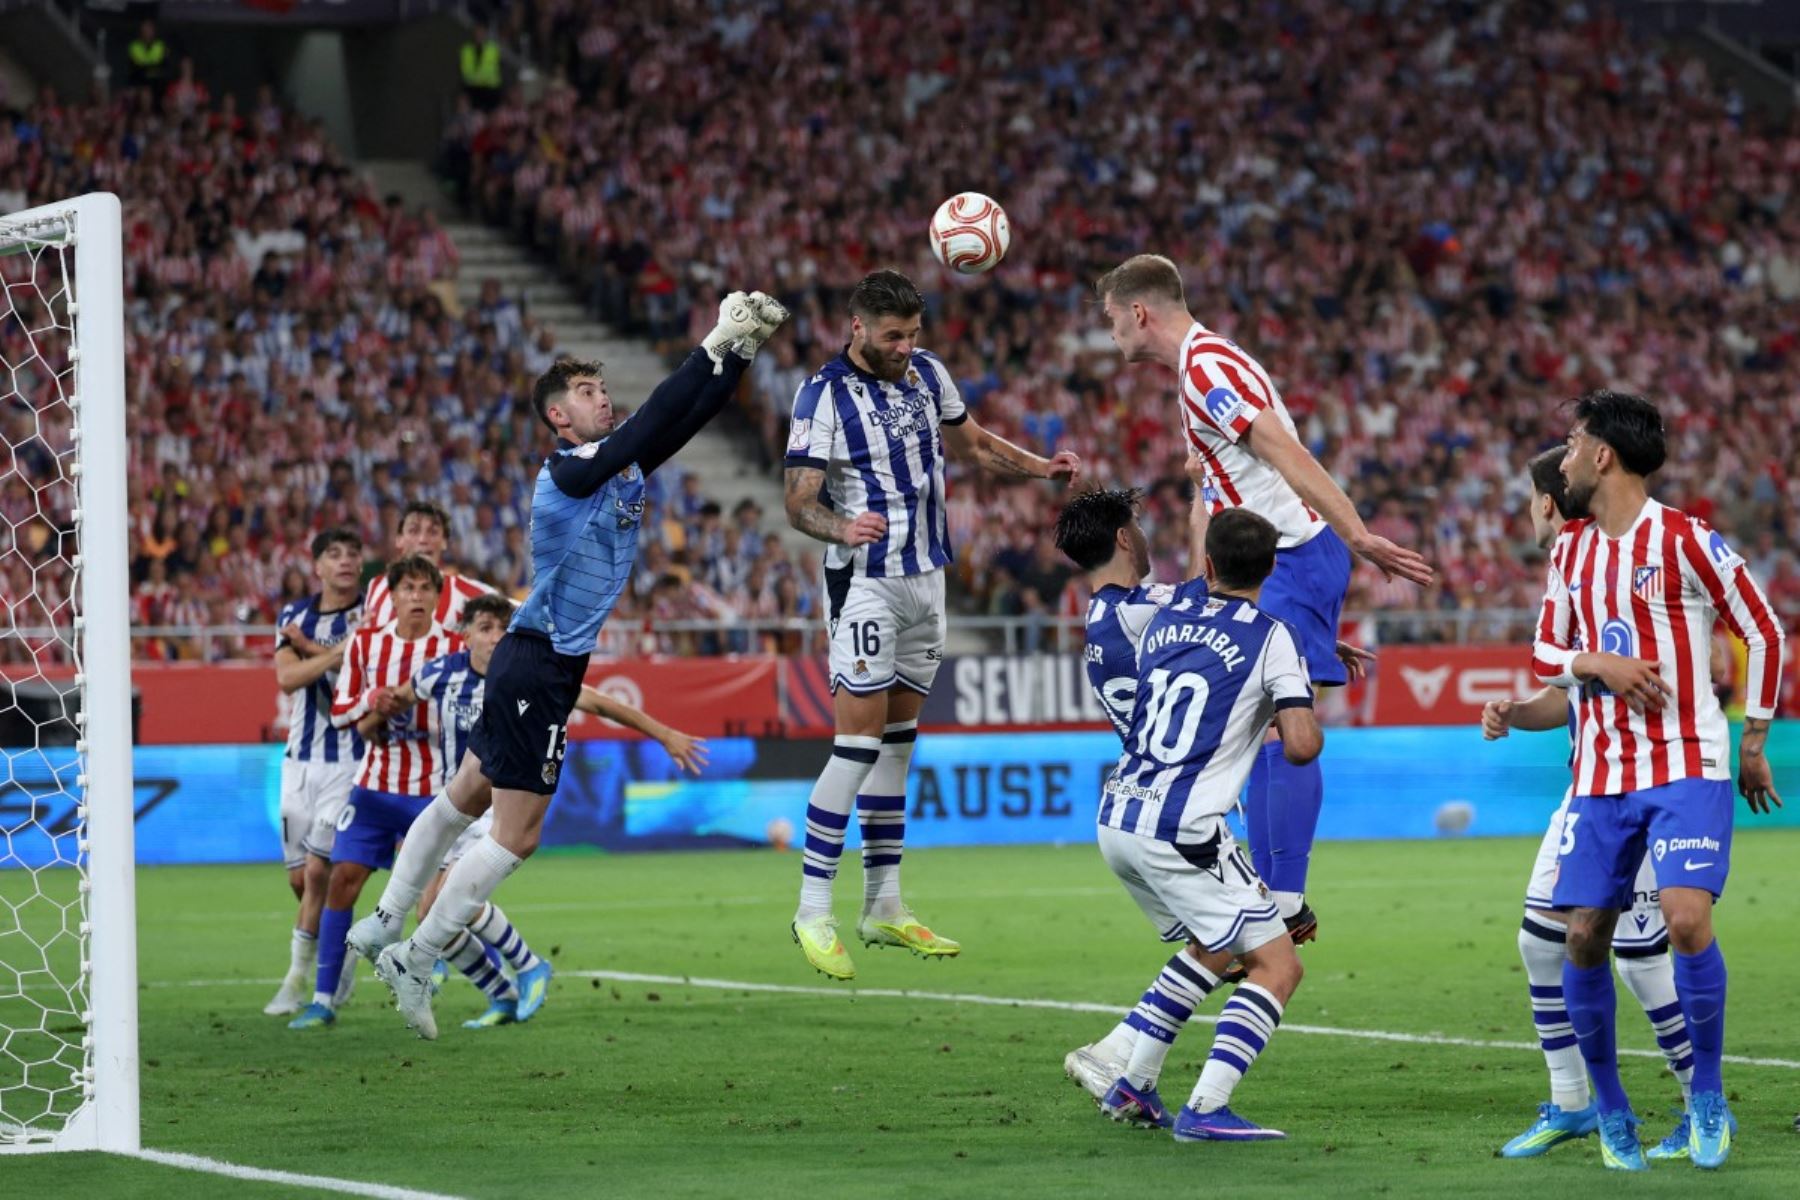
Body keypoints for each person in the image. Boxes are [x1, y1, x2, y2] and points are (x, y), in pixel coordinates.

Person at [347, 291, 788, 1039]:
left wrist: (737, 354)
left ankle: (384, 922)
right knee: (515, 836)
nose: (602, 399)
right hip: (542, 661)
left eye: (601, 389)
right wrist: (711, 339)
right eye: (587, 393)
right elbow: (650, 422)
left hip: (537, 658)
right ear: (558, 416)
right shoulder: (568, 473)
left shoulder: (615, 467)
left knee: (465, 796)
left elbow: (688, 416)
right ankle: (416, 954)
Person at [1095, 254, 1432, 941]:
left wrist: (1358, 534)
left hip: (1291, 556)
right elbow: (1229, 490)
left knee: (1281, 727)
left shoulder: (1206, 368)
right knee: (1251, 719)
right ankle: (1268, 894)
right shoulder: (1200, 370)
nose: (1109, 337)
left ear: (1138, 312)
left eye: (1109, 321)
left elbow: (1284, 451)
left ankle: (1281, 899)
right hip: (1273, 566)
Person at [781, 268, 1080, 980]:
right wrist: (841, 526)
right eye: (893, 337)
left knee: (896, 749)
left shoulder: (928, 375)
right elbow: (798, 500)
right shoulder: (822, 394)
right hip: (867, 583)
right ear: (857, 328)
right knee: (855, 747)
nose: (906, 347)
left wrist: (1043, 469)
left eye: (914, 334)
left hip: (928, 580)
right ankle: (812, 910)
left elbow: (971, 444)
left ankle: (883, 904)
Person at [1052, 470, 1370, 1103]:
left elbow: (1213, 595)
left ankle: (1125, 1068)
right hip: (1186, 799)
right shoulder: (1153, 608)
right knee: (1271, 956)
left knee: (1219, 944)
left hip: (1135, 798)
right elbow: (1223, 592)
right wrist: (1204, 485)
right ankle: (1193, 1097)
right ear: (1123, 535)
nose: (1145, 537)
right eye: (1139, 528)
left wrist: (1311, 646)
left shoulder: (1121, 616)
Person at [1530, 390, 1785, 1171]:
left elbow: (1765, 630)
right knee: (1582, 935)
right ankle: (1610, 1112)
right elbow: (1546, 656)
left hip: (1687, 761)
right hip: (1602, 774)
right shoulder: (1570, 551)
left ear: (1603, 454)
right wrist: (1594, 663)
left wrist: (1754, 737)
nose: (1563, 457)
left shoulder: (1687, 540)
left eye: (1572, 443)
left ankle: (1705, 1095)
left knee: (1682, 921)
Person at [1483, 449, 1696, 1160]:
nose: (1528, 511)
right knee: (1540, 941)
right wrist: (1516, 712)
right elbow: (1566, 691)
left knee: (1639, 960)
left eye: (1529, 498)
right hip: (1586, 792)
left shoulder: (1611, 563)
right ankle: (1573, 1101)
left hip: (1634, 787)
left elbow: (1634, 670)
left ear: (1550, 502)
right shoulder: (1574, 568)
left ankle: (1702, 1103)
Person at [383, 594, 711, 1029]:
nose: (497, 637)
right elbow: (395, 702)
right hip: (456, 801)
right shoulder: (439, 675)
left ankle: (527, 964)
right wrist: (378, 710)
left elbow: (601, 704)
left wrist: (664, 733)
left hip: (498, 803)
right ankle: (500, 993)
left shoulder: (527, 675)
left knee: (448, 900)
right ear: (465, 636)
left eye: (504, 628)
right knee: (429, 912)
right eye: (485, 628)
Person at [1094, 508, 1318, 1141]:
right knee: (1278, 967)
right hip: (1183, 827)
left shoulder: (1165, 618)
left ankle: (1133, 1088)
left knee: (1215, 947)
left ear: (1209, 567)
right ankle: (1207, 1109)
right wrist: (1295, 699)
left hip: (1118, 816)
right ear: (1272, 568)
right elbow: (1299, 746)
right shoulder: (1273, 635)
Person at [287, 555, 459, 1030]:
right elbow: (340, 712)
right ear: (392, 596)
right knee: (341, 878)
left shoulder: (454, 648)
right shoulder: (366, 643)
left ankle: (427, 974)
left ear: (437, 597)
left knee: (437, 896)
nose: (418, 597)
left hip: (433, 791)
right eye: (408, 588)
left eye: (426, 589)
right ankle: (324, 997)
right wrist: (372, 700)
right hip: (375, 788)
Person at [263, 528, 364, 1017]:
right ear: (317, 566)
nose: (344, 562)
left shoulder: (369, 616)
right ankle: (337, 952)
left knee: (322, 871)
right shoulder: (294, 616)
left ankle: (297, 982)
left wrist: (309, 651)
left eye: (352, 555)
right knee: (302, 883)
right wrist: (325, 651)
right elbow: (287, 678)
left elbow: (354, 678)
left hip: (348, 761)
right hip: (296, 763)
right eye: (334, 555)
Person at [362, 500, 494, 630]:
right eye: (414, 531)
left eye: (433, 532)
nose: (423, 540)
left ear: (444, 541)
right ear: (399, 540)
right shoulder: (377, 585)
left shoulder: (473, 595)